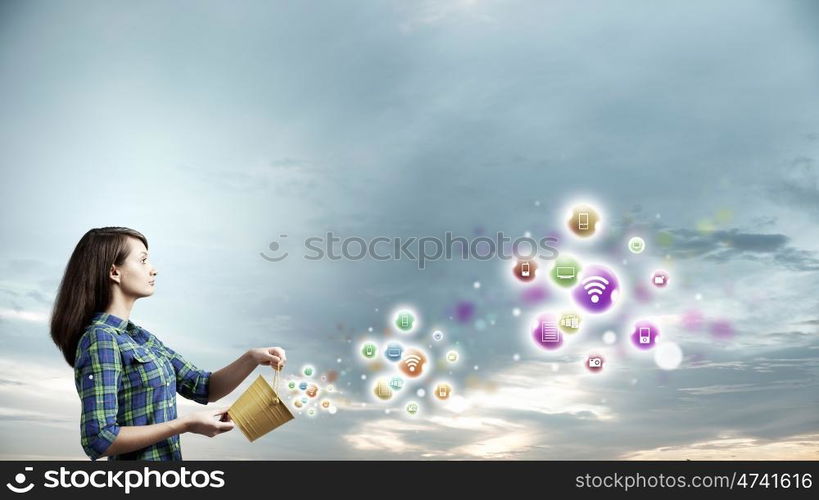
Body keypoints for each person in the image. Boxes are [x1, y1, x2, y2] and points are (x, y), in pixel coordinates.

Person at [50, 227, 287, 460]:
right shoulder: (100, 339)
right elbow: (99, 440)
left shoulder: (141, 337)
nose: (153, 270)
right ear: (114, 272)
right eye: (143, 260)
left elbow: (202, 386)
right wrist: (183, 425)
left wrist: (252, 357)